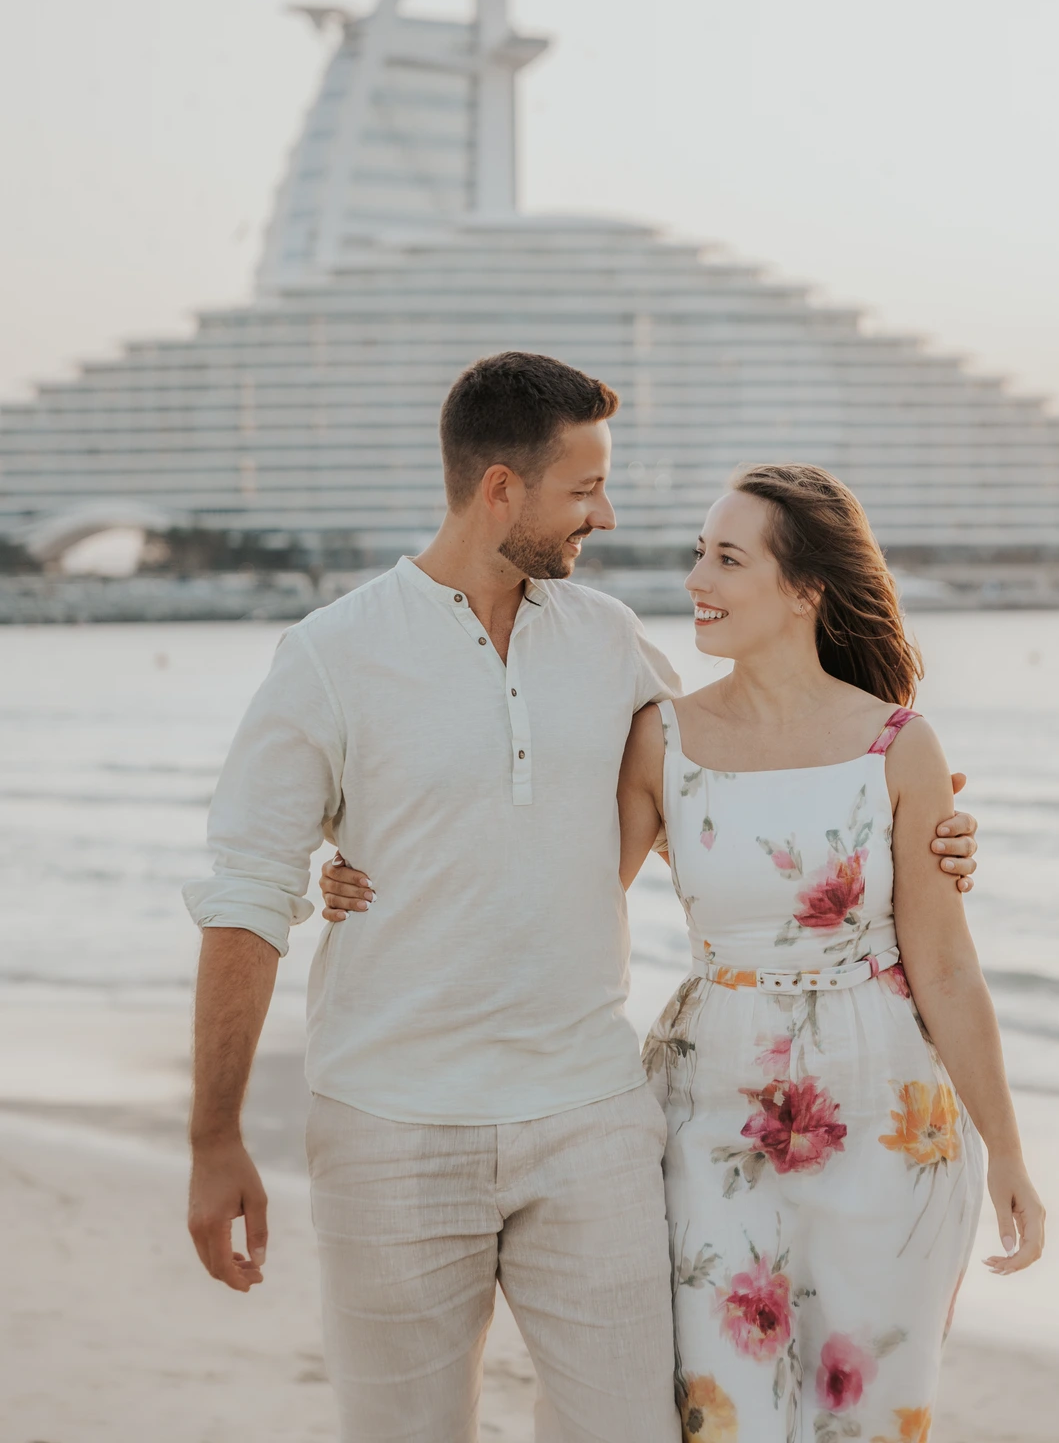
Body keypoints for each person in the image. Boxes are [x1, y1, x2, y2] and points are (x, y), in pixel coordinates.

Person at [183, 352, 980, 1443]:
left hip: (592, 1116)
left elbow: (738, 785)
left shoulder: (605, 641)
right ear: (500, 488)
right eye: (582, 489)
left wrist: (911, 821)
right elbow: (243, 896)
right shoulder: (330, 657)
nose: (604, 515)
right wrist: (213, 1136)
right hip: (391, 1123)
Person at [617, 465, 1045, 1443]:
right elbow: (563, 899)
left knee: (865, 1417)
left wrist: (1008, 1151)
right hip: (707, 1112)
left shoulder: (895, 745)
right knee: (719, 1413)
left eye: (727, 558)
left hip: (889, 1116)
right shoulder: (660, 738)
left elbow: (943, 966)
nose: (697, 578)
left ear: (804, 587)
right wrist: (365, 873)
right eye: (698, 554)